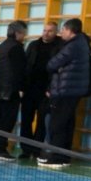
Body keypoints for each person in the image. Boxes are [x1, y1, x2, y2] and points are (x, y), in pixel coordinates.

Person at [40, 18, 90, 168]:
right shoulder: (81, 43)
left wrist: (58, 68)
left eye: (63, 30)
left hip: (65, 91)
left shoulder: (72, 46)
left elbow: (51, 64)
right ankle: (64, 157)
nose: (61, 33)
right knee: (67, 124)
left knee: (58, 124)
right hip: (71, 91)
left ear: (70, 31)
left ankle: (57, 158)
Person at [0, 20, 28, 160]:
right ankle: (0, 150)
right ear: (18, 33)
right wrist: (20, 88)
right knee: (7, 121)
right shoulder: (17, 48)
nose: (24, 36)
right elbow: (18, 71)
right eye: (23, 33)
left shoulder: (1, 47)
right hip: (10, 90)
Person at [20, 21, 63, 159]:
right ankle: (26, 149)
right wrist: (22, 87)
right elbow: (25, 67)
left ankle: (36, 149)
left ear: (56, 32)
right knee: (26, 120)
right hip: (29, 89)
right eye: (44, 30)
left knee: (42, 122)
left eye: (50, 31)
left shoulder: (60, 46)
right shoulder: (33, 45)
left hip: (46, 91)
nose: (46, 33)